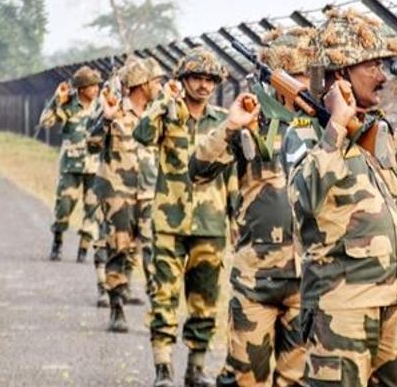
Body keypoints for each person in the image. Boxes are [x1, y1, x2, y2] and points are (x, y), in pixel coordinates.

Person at [284, 7, 397, 387]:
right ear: (340, 74)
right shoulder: (304, 133)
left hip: (393, 302)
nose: (383, 77)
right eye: (371, 66)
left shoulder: (378, 132)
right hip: (340, 307)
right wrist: (334, 126)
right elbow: (304, 198)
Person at [189, 27, 317, 387]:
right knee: (248, 379)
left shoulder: (323, 125)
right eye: (294, 75)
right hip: (256, 279)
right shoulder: (251, 122)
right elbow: (199, 170)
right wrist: (231, 126)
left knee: (296, 380)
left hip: (310, 278)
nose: (302, 84)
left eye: (307, 74)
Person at [133, 47, 235, 387]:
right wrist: (164, 101)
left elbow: (231, 173)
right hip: (169, 221)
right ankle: (163, 367)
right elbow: (142, 134)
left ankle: (196, 366)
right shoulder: (166, 113)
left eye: (209, 80)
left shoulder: (222, 120)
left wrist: (235, 218)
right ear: (183, 79)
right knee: (163, 296)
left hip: (211, 222)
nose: (204, 86)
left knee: (204, 299)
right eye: (197, 78)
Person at [86, 57, 163, 332]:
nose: (159, 85)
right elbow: (93, 145)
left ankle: (160, 313)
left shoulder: (157, 114)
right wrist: (104, 120)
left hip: (150, 193)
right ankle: (116, 307)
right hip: (119, 195)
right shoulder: (114, 112)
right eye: (155, 81)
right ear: (141, 84)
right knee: (118, 249)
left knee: (155, 252)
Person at [38, 65, 102, 262]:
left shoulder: (102, 106)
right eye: (92, 86)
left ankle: (83, 249)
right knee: (63, 207)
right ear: (82, 88)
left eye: (97, 86)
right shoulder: (68, 105)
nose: (96, 89)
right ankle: (57, 241)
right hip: (71, 166)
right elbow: (45, 122)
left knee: (92, 210)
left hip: (95, 167)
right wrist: (57, 99)